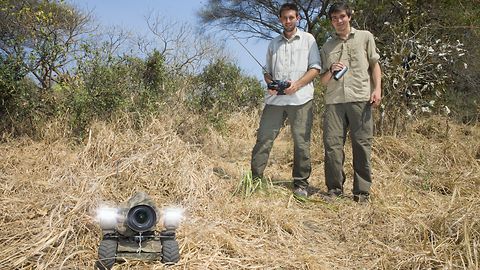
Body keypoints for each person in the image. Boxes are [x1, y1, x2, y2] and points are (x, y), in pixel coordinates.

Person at [251, 3, 321, 198]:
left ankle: (300, 184)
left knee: (301, 142)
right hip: (275, 101)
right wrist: (271, 84)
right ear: (280, 19)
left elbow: (315, 68)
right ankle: (255, 180)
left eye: (292, 17)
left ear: (298, 19)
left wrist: (296, 85)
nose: (288, 21)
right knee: (264, 138)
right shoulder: (273, 44)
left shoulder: (308, 39)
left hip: (301, 99)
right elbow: (267, 72)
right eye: (284, 18)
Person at [319, 2, 382, 204]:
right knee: (332, 146)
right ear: (331, 21)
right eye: (334, 18)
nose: (339, 21)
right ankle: (335, 190)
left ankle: (362, 193)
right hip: (334, 102)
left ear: (349, 17)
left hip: (360, 100)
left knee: (362, 145)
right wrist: (331, 70)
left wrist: (377, 90)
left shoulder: (365, 37)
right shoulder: (327, 46)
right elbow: (322, 80)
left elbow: (375, 65)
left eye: (342, 17)